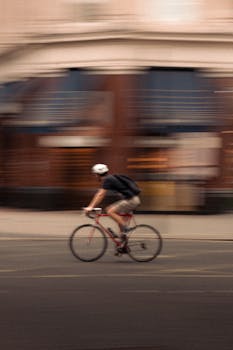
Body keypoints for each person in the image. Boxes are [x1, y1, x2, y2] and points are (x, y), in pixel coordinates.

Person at [84, 163, 141, 237]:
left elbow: (100, 195)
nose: (95, 176)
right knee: (119, 221)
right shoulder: (110, 178)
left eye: (95, 174)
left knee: (109, 210)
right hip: (132, 199)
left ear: (98, 174)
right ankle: (123, 245)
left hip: (131, 200)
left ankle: (126, 228)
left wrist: (90, 207)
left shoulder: (107, 180)